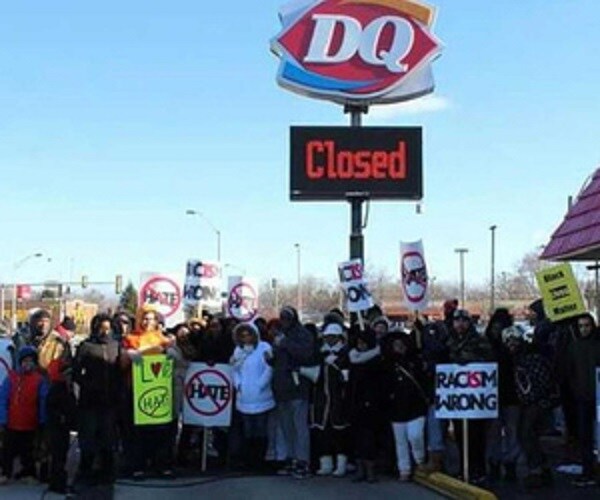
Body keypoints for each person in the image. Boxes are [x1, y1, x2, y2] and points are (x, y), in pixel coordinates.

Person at [121, 306, 176, 480]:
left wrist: (171, 353)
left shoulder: (163, 340)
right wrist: (128, 355)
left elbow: (176, 361)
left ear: (156, 321)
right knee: (137, 432)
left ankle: (161, 465)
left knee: (161, 431)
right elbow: (121, 363)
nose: (146, 322)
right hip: (136, 391)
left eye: (150, 318)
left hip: (159, 392)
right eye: (144, 318)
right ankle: (138, 466)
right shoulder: (130, 339)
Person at [503, 325, 558, 489]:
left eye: (514, 341)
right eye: (508, 342)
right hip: (529, 402)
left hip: (536, 402)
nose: (511, 345)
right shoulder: (515, 358)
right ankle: (542, 468)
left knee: (526, 434)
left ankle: (537, 470)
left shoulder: (531, 357)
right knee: (528, 435)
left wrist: (537, 399)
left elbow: (541, 381)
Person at [73, 313, 121, 485]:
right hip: (90, 401)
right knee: (88, 437)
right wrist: (88, 384)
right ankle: (85, 470)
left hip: (110, 401)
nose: (105, 332)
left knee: (108, 437)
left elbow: (120, 370)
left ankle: (107, 471)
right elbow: (76, 371)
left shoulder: (116, 346)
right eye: (101, 328)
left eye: (108, 328)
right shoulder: (86, 346)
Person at [446, 309, 494, 484]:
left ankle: (478, 470)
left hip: (476, 397)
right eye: (457, 320)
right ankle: (463, 468)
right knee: (460, 435)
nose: (460, 324)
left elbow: (488, 360)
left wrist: (466, 361)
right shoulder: (449, 340)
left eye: (464, 320)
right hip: (457, 397)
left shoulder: (479, 340)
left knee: (477, 435)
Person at [32, 309, 75, 494]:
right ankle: (34, 470)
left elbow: (67, 371)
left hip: (53, 394)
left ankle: (53, 475)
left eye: (45, 321)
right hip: (29, 395)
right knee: (33, 436)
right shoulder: (24, 341)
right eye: (38, 321)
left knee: (53, 439)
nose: (42, 325)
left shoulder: (59, 343)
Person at [269, 306, 315, 479]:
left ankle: (303, 461)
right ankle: (291, 458)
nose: (284, 321)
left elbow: (307, 354)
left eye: (287, 317)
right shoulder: (280, 335)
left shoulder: (302, 334)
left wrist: (285, 344)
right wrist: (270, 358)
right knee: (286, 427)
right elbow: (278, 360)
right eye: (282, 318)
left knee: (300, 426)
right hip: (282, 388)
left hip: (297, 387)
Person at [0, 346, 49, 485]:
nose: (27, 364)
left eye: (30, 361)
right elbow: (3, 398)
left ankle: (28, 472)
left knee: (27, 451)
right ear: (20, 362)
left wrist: (42, 419)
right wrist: (2, 418)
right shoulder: (12, 378)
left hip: (29, 422)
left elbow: (43, 400)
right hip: (12, 422)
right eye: (25, 361)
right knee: (7, 450)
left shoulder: (39, 380)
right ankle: (5, 472)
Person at [383, 333, 428, 481]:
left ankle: (420, 460)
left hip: (416, 406)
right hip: (396, 407)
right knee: (400, 441)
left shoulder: (416, 361)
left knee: (415, 435)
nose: (400, 347)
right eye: (396, 345)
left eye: (402, 344)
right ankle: (404, 469)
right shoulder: (387, 365)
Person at [231, 322, 275, 471]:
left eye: (248, 334)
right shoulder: (238, 351)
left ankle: (260, 461)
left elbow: (269, 368)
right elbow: (235, 370)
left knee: (261, 430)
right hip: (244, 397)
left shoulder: (265, 348)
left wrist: (260, 385)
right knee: (248, 430)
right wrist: (238, 385)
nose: (246, 338)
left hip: (261, 396)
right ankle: (249, 461)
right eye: (243, 335)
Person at [310, 322, 350, 477]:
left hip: (339, 398)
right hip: (322, 399)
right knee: (323, 432)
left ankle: (341, 464)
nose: (330, 339)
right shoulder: (320, 354)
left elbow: (346, 376)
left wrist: (339, 368)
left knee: (340, 433)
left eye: (333, 337)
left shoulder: (345, 353)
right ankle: (326, 463)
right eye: (327, 337)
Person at [485, 308, 520, 481]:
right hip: (508, 395)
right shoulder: (513, 345)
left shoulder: (488, 345)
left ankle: (496, 463)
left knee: (497, 432)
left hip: (498, 395)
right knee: (509, 432)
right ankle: (507, 463)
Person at [566, 313, 600, 487]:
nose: (584, 329)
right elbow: (570, 372)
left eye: (587, 325)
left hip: (597, 397)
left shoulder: (597, 345)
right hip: (583, 397)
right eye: (581, 326)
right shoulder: (574, 347)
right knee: (585, 436)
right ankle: (588, 471)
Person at [348, 328, 384, 483]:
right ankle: (360, 468)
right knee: (356, 437)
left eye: (363, 343)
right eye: (358, 343)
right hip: (355, 403)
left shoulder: (376, 361)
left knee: (369, 439)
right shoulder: (353, 359)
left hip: (372, 405)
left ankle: (370, 470)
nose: (360, 346)